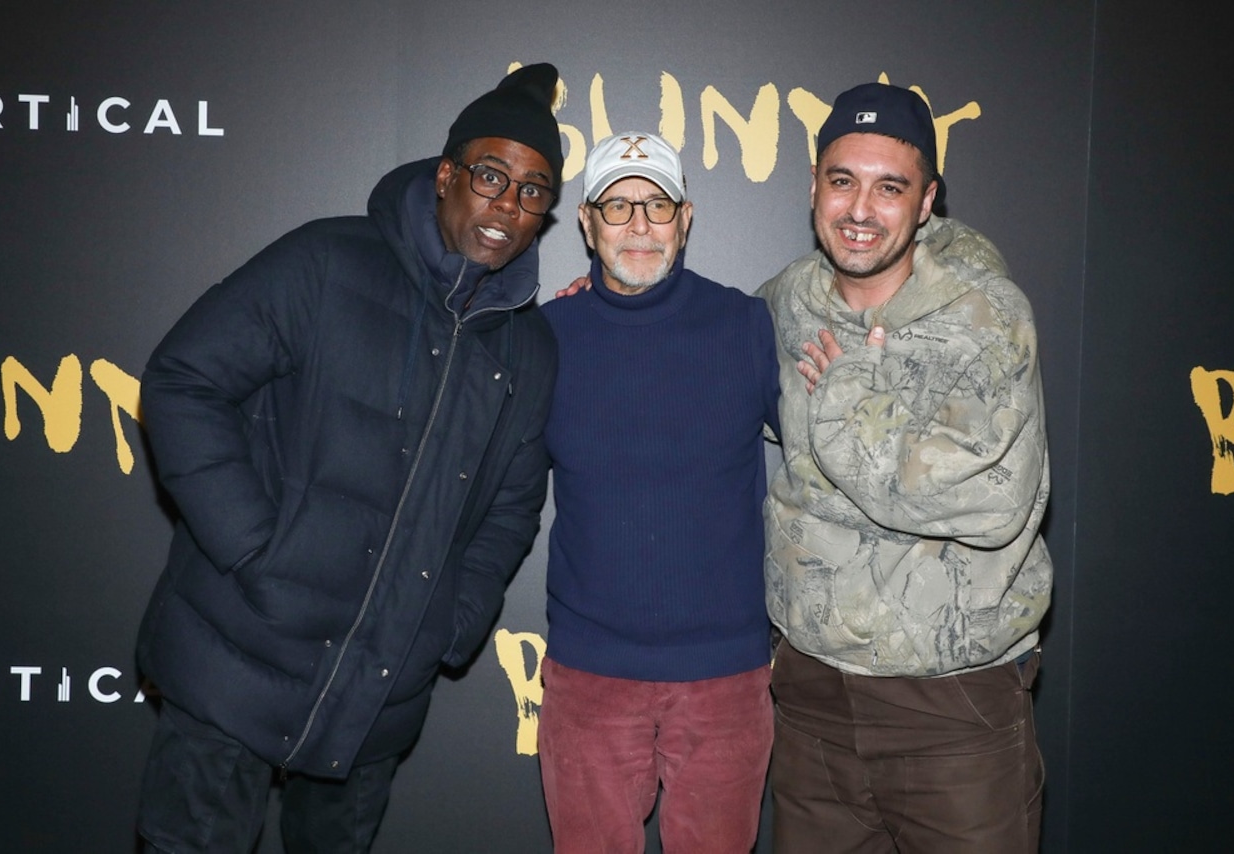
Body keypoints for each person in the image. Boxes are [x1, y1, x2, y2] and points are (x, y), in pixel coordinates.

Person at [134, 63, 564, 853]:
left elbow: (510, 508)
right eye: (491, 176)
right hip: (236, 656)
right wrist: (252, 548)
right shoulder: (328, 261)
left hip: (375, 697)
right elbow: (183, 380)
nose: (508, 204)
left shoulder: (531, 348)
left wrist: (449, 624)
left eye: (534, 191)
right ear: (446, 175)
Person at [758, 82, 1052, 853]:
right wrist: (617, 297)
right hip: (811, 701)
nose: (861, 209)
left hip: (951, 714)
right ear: (814, 186)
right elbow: (701, 355)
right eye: (842, 180)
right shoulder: (789, 301)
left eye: (890, 187)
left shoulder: (985, 318)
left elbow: (991, 502)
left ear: (926, 204)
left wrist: (850, 392)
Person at [536, 131, 782, 853]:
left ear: (686, 217)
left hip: (726, 681)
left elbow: (826, 464)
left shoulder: (747, 326)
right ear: (585, 222)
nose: (639, 224)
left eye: (657, 204)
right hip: (588, 677)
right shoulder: (545, 337)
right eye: (617, 206)